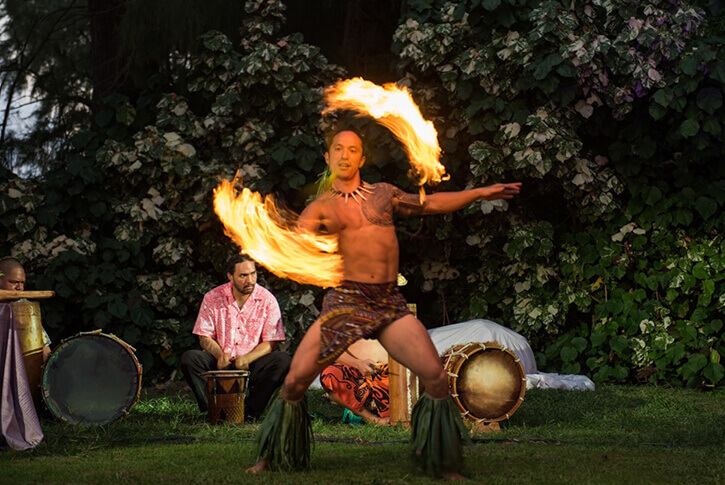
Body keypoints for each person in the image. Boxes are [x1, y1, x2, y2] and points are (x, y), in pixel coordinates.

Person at [248, 126, 521, 478]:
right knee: (293, 383)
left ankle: (440, 461)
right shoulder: (320, 208)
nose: (345, 155)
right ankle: (271, 457)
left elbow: (431, 203)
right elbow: (295, 249)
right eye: (338, 149)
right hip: (345, 303)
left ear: (362, 158)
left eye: (352, 149)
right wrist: (277, 243)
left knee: (436, 378)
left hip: (387, 302)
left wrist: (480, 192)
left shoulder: (383, 195)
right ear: (328, 157)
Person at [180, 254, 291, 421]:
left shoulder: (267, 299)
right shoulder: (213, 297)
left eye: (253, 274)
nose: (250, 280)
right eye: (243, 275)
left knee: (283, 360)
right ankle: (215, 410)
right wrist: (220, 355)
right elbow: (204, 337)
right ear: (230, 276)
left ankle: (251, 411)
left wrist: (246, 359)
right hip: (221, 360)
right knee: (190, 358)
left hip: (252, 361)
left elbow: (271, 342)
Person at [320, 338, 390, 426]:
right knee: (330, 375)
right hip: (356, 369)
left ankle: (377, 409)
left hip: (390, 372)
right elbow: (324, 345)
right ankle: (372, 419)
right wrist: (358, 364)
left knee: (397, 417)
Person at [0, 257, 51, 362]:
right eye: (14, 282)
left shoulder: (25, 307)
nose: (20, 288)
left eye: (22, 283)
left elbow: (43, 348)